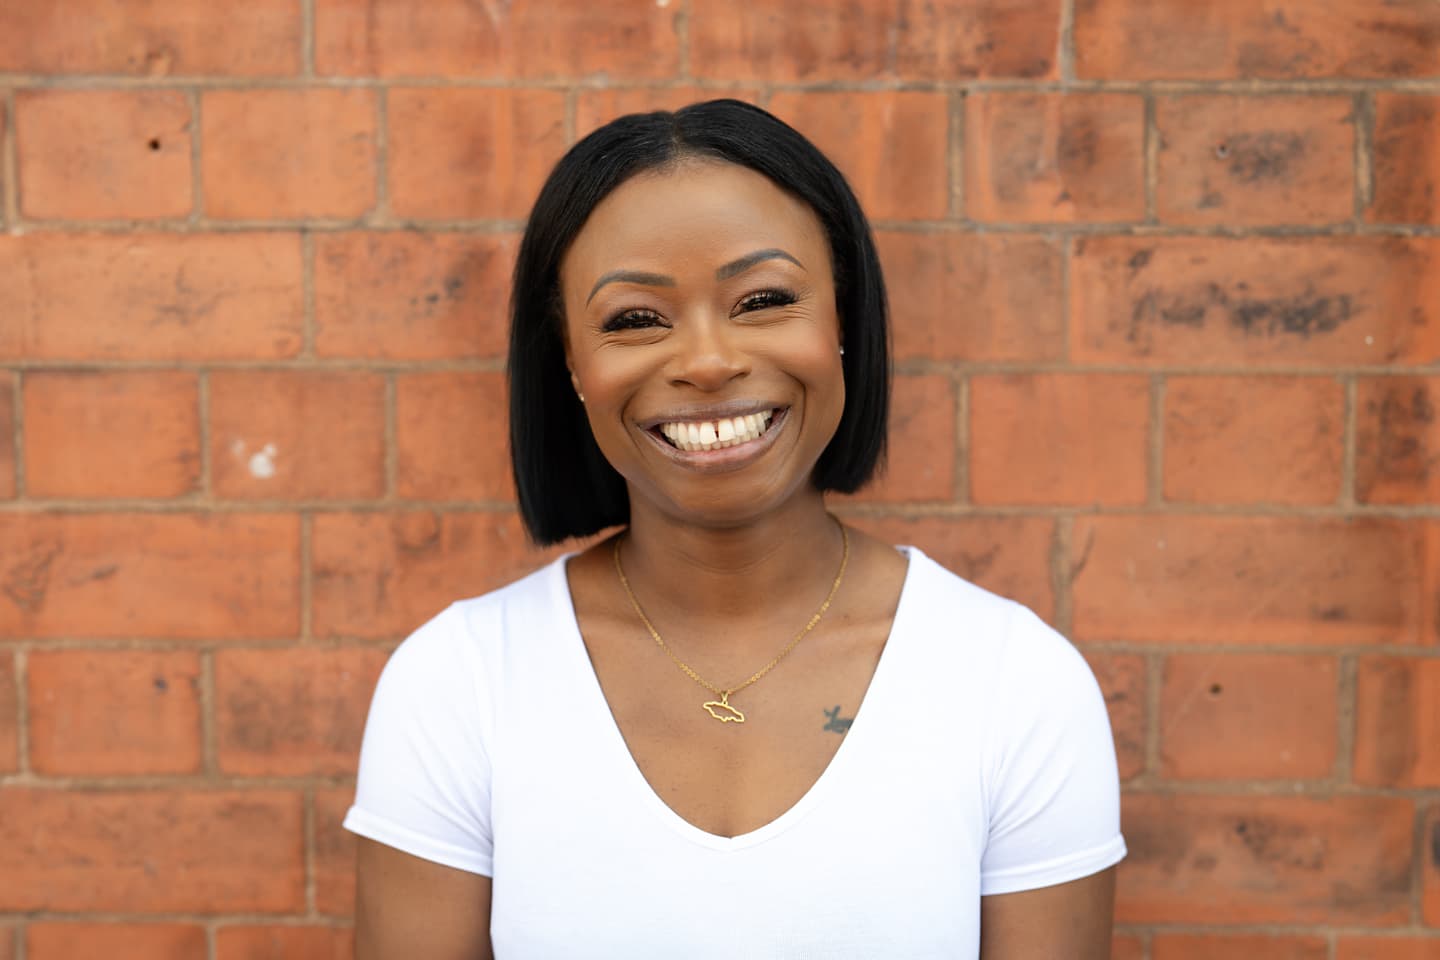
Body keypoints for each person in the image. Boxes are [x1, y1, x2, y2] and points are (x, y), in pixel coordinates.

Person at [346, 99, 1125, 959]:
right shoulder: (460, 687)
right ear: (571, 363)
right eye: (636, 319)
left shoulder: (1014, 685)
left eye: (763, 299)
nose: (709, 362)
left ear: (842, 326)